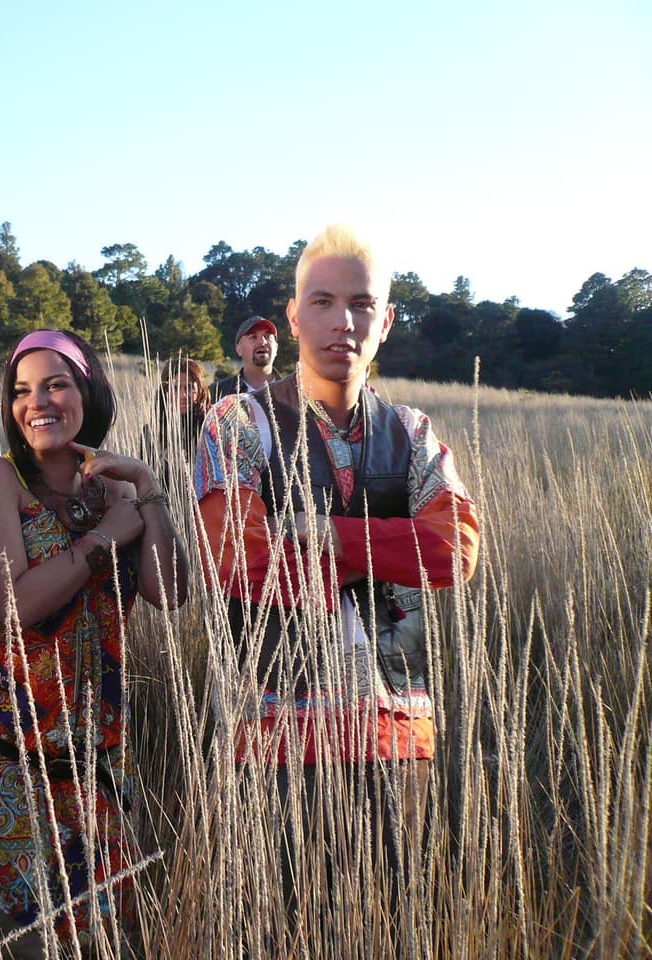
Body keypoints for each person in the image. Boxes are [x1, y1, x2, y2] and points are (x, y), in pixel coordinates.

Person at [194, 225, 479, 942]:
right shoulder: (240, 422)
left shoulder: (412, 431)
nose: (341, 321)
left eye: (361, 304)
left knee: (393, 926)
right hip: (277, 729)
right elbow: (238, 555)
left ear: (385, 320)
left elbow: (456, 549)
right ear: (294, 317)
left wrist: (329, 537)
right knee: (281, 930)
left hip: (398, 727)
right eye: (322, 301)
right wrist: (389, 549)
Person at [0, 329, 189, 956]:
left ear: (88, 391)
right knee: (36, 949)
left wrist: (148, 487)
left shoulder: (118, 491)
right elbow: (15, 607)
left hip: (93, 770)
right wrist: (104, 538)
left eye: (55, 384)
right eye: (21, 390)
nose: (37, 402)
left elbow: (169, 592)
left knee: (113, 944)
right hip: (7, 765)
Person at [148, 356, 211, 491]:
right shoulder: (152, 432)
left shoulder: (210, 428)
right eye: (175, 388)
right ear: (165, 391)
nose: (183, 395)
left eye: (189, 388)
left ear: (200, 390)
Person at [227, 315, 280, 396]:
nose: (262, 342)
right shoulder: (219, 393)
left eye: (267, 337)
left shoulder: (293, 392)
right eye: (253, 337)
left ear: (276, 347)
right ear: (239, 349)